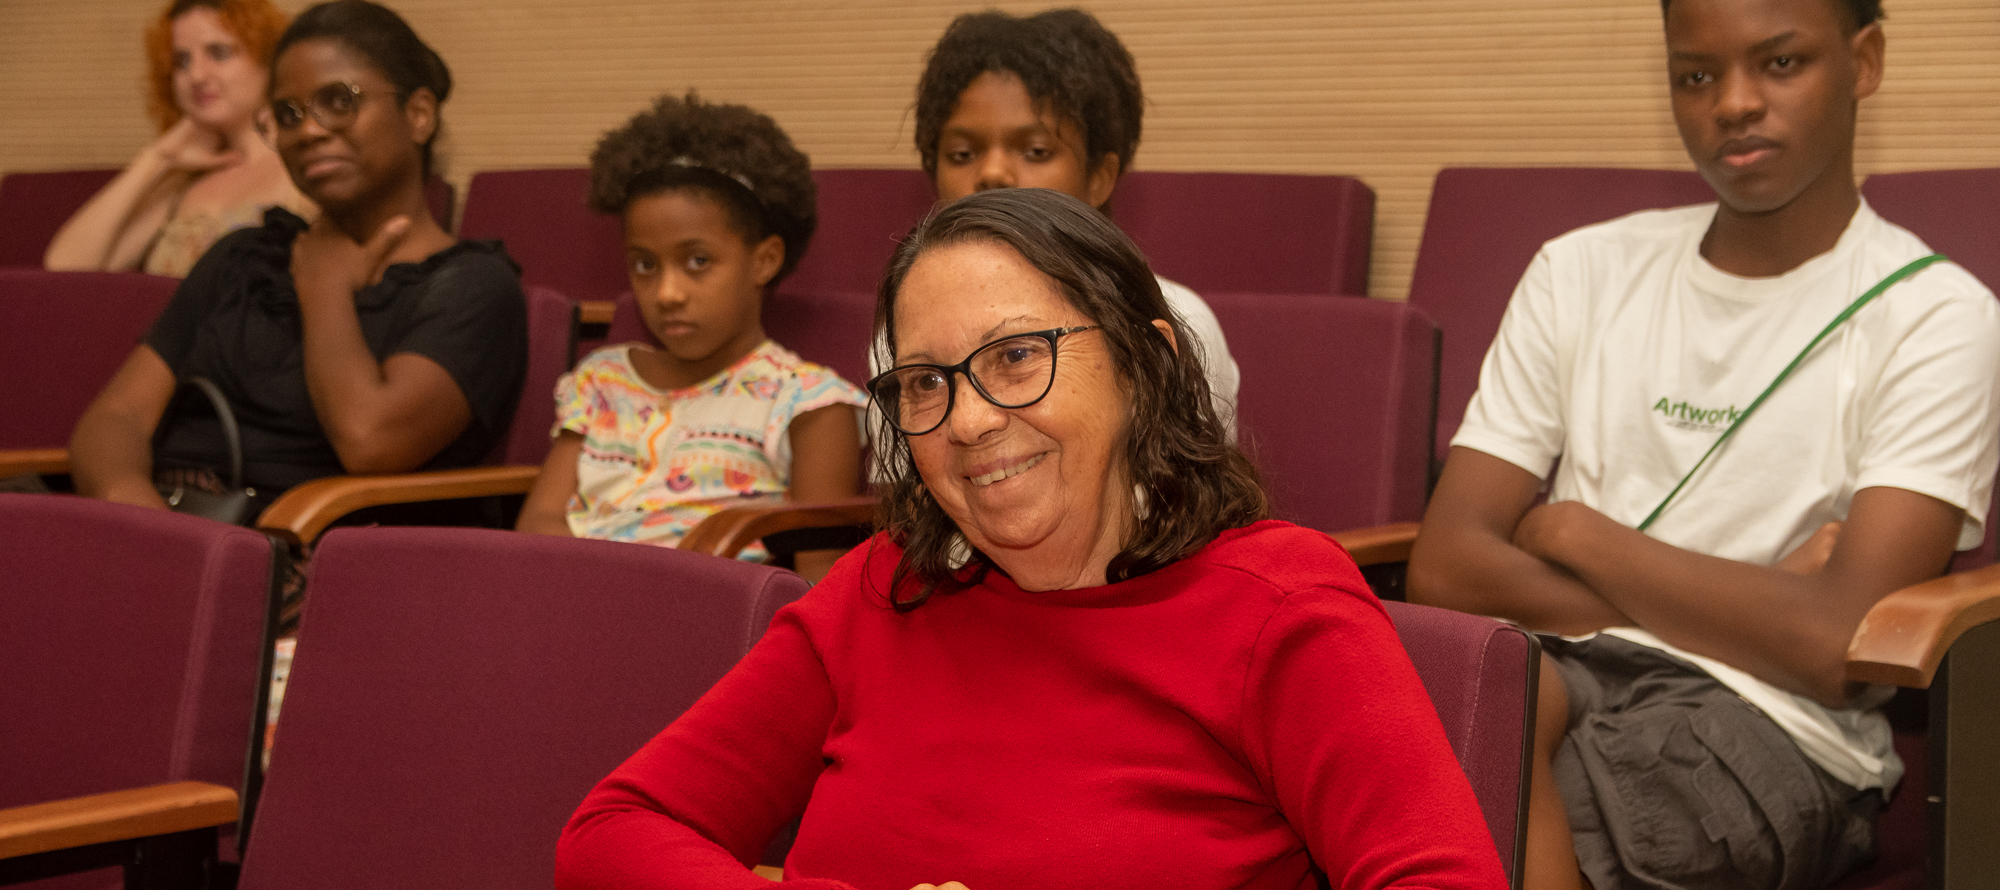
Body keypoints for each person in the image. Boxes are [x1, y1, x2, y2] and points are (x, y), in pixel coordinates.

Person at [340, 189, 1521, 890]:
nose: (966, 420)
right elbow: (614, 833)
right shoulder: (877, 594)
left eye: (1015, 359)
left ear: (1145, 361)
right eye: (923, 383)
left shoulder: (1277, 600)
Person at [1404, 1, 2000, 890]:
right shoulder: (1581, 272)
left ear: (1865, 61)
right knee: (1468, 698)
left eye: (1778, 62)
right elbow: (1447, 561)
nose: (1733, 102)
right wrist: (1756, 592)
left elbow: (1835, 648)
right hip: (1556, 679)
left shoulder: (1935, 318)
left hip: (1774, 737)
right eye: (1696, 72)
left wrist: (1574, 529)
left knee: (1431, 791)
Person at [68, 0, 527, 521]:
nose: (308, 131)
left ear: (418, 115)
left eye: (339, 100)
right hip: (160, 526)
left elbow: (369, 440)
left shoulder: (472, 287)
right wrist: (138, 515)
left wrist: (324, 286)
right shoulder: (243, 259)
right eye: (288, 114)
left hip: (309, 550)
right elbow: (116, 416)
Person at [513, 93, 866, 583]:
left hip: (708, 613)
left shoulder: (808, 403)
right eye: (645, 264)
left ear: (764, 260)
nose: (667, 293)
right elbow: (537, 523)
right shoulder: (601, 380)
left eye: (697, 261)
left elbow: (819, 582)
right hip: (572, 595)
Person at [905, 7, 1241, 425]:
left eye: (1036, 151)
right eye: (962, 154)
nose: (992, 173)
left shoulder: (1180, 322)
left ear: (1099, 177)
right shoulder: (910, 334)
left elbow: (1194, 468)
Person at [44, 0, 314, 277]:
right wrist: (157, 158)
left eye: (218, 53)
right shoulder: (180, 184)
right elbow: (66, 270)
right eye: (181, 61)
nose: (196, 75)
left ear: (270, 60)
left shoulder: (309, 160)